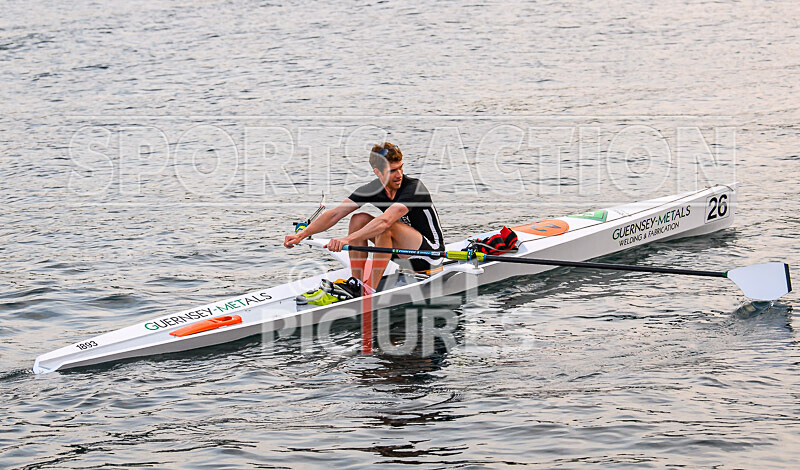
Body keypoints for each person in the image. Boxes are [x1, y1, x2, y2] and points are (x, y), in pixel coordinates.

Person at [284, 142, 444, 293]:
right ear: (378, 172)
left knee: (385, 226)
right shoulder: (373, 189)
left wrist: (347, 239)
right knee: (358, 219)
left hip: (431, 256)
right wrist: (301, 235)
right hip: (402, 253)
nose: (399, 175)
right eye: (392, 171)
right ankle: (357, 282)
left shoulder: (414, 188)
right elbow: (335, 213)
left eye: (401, 168)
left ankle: (370, 290)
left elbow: (385, 221)